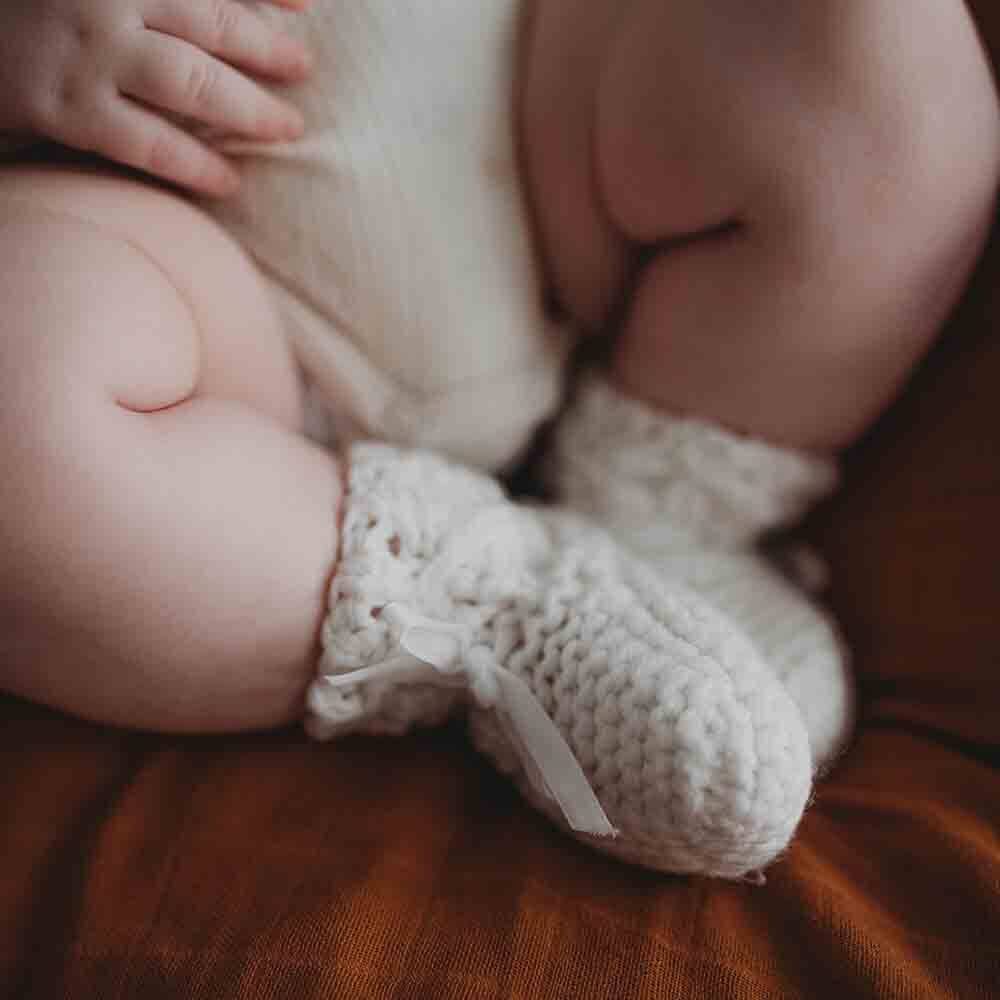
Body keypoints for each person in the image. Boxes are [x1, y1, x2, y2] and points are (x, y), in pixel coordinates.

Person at [0, 0, 996, 878]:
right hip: (193, 283)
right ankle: (493, 608)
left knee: (878, 50)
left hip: (523, 116)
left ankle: (668, 505)